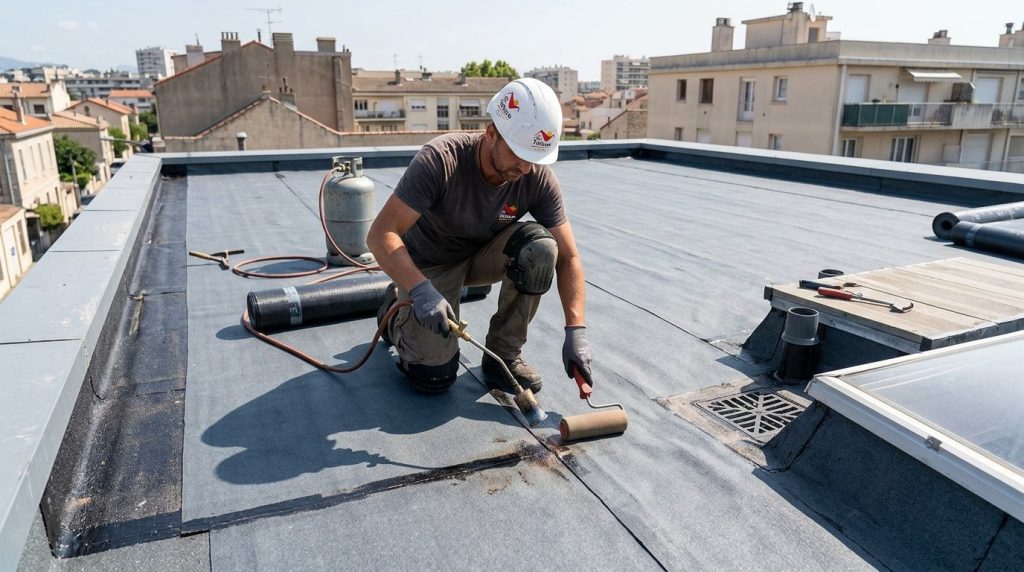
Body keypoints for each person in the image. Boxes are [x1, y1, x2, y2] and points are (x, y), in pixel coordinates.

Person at [368, 78, 592, 395]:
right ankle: (394, 311)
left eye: (534, 158)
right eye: (518, 154)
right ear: (491, 134)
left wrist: (575, 330)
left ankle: (504, 357)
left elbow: (569, 258)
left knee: (541, 248)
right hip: (430, 266)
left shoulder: (535, 175)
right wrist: (419, 290)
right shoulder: (441, 160)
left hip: (482, 257)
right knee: (433, 377)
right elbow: (381, 234)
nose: (526, 168)